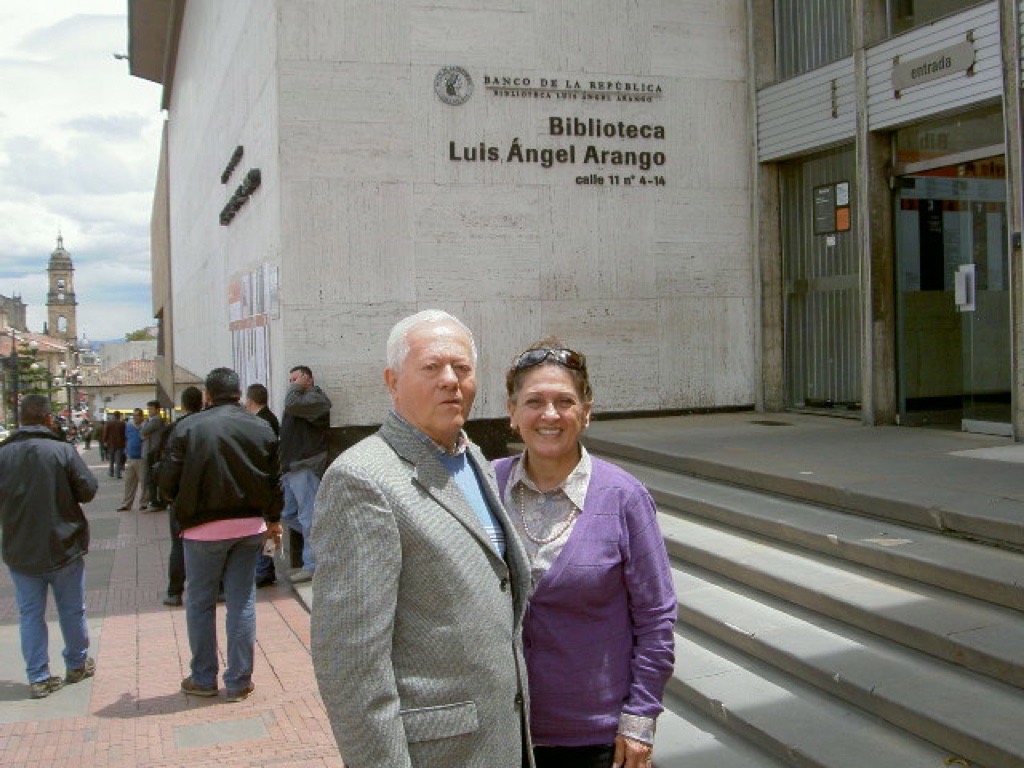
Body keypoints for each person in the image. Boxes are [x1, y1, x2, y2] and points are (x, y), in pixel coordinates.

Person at [311, 309, 533, 768]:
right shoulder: (362, 480)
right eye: (432, 367)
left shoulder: (474, 457)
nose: (451, 380)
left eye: (462, 367)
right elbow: (351, 665)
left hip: (501, 742)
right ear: (392, 381)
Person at [494, 340, 677, 768]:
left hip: (595, 738)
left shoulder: (624, 497)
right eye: (534, 401)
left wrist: (640, 717)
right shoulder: (486, 485)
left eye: (564, 401)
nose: (550, 414)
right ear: (512, 411)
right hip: (504, 731)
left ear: (586, 411)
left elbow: (656, 617)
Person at [159, 367, 283, 702]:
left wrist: (178, 503)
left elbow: (167, 482)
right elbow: (275, 480)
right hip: (249, 527)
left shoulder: (188, 427)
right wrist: (273, 519)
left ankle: (203, 678)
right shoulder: (261, 427)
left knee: (200, 602)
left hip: (201, 529)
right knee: (242, 601)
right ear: (239, 393)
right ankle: (239, 681)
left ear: (208, 395)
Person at [0, 394, 99, 699]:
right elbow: (88, 490)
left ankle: (38, 676)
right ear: (47, 419)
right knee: (72, 609)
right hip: (63, 544)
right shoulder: (62, 450)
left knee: (30, 613)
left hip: (20, 548)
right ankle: (77, 664)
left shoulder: (3, 454)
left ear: (20, 419)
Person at [279, 364, 331, 583]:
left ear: (308, 379)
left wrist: (294, 389)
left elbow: (291, 404)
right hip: (291, 468)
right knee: (288, 514)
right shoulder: (299, 401)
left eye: (296, 379)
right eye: (290, 381)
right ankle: (326, 541)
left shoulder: (316, 399)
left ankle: (312, 565)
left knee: (308, 517)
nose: (292, 384)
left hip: (305, 466)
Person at [161, 386, 203, 607]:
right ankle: (218, 588)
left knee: (178, 546)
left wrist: (168, 495)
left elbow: (166, 465)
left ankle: (174, 591)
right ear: (202, 403)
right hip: (206, 495)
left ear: (184, 405)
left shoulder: (174, 429)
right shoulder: (208, 426)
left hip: (180, 496)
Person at [244, 383, 280, 588]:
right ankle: (267, 567)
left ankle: (265, 569)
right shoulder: (270, 418)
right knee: (269, 530)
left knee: (265, 530)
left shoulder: (261, 422)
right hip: (269, 483)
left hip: (264, 484)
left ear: (250, 401)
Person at [117, 409, 148, 512]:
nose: (135, 418)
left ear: (141, 416)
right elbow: (127, 439)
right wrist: (126, 451)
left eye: (137, 415)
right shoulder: (129, 426)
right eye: (134, 416)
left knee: (143, 481)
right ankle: (126, 504)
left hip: (141, 458)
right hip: (130, 457)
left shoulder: (145, 427)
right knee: (129, 482)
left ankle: (144, 503)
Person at [141, 400, 166, 510]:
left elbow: (143, 430)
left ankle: (155, 501)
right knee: (151, 477)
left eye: (151, 409)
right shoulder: (154, 421)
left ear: (157, 410)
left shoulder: (156, 420)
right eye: (148, 409)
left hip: (153, 452)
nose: (149, 411)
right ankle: (155, 500)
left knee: (151, 478)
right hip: (153, 451)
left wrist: (145, 424)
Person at [103, 411, 126, 478]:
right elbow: (124, 434)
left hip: (111, 443)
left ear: (114, 415)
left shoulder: (109, 423)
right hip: (120, 444)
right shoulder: (122, 424)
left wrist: (104, 441)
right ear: (119, 416)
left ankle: (111, 472)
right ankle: (118, 474)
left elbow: (105, 433)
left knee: (111, 459)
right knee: (118, 460)